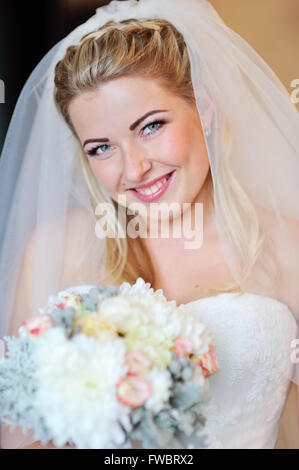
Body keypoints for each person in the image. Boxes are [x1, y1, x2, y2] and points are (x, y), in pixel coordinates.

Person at [0, 0, 299, 449]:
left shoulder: (286, 247)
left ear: (205, 109)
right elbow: (19, 435)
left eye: (151, 126)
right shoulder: (53, 247)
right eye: (101, 148)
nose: (134, 169)